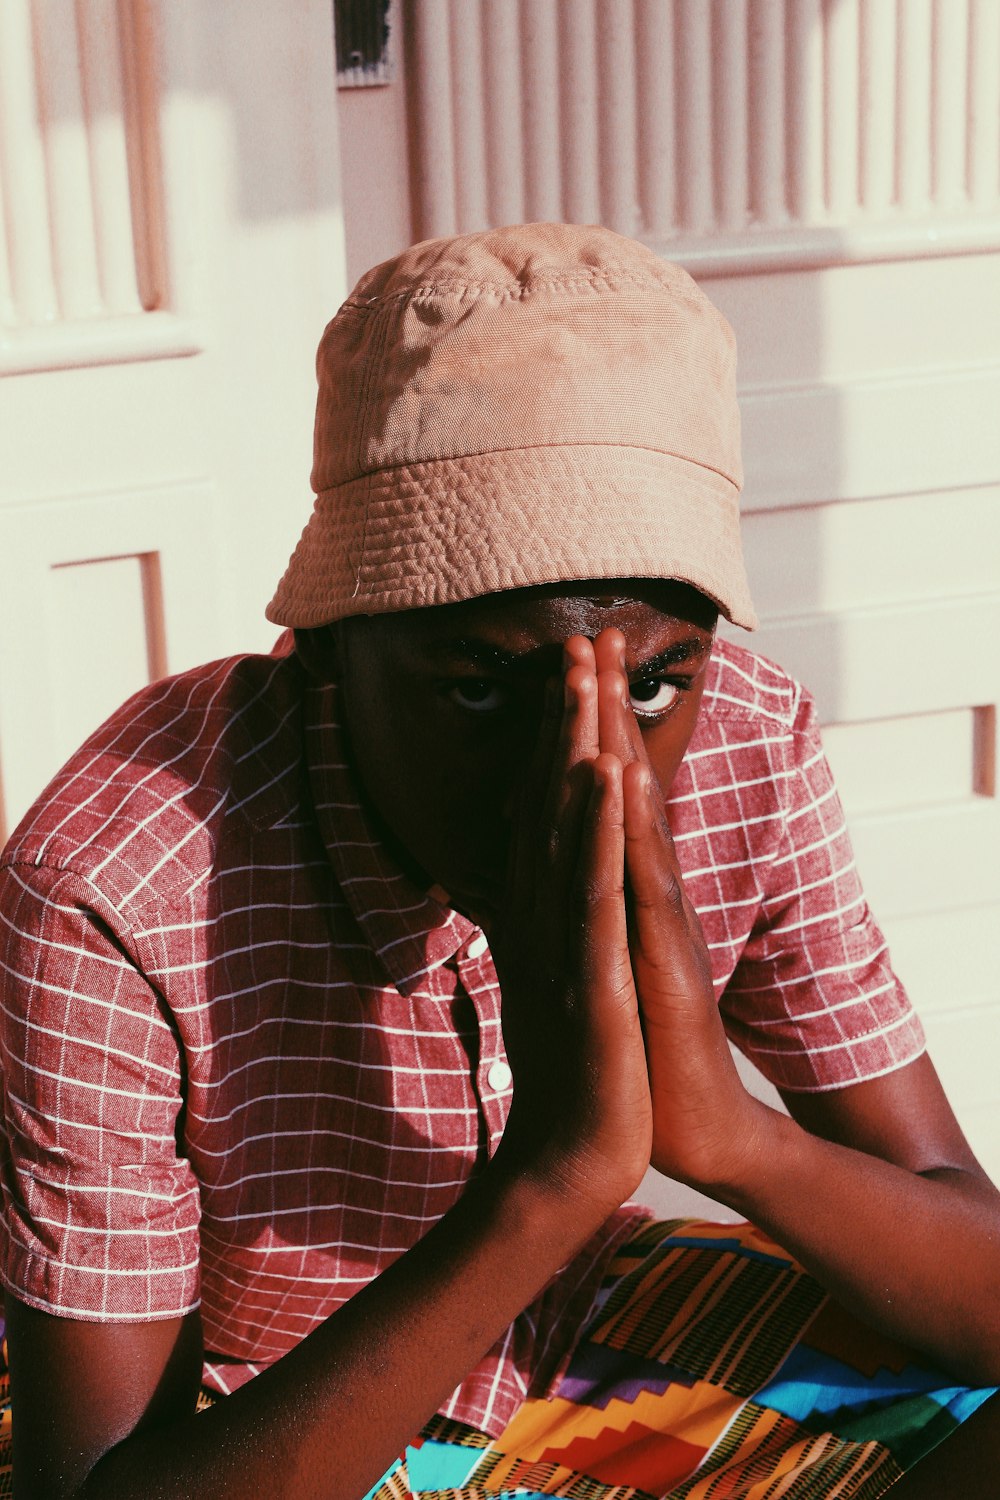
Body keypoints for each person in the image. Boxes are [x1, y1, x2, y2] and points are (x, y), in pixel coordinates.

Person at [0, 223, 997, 1500]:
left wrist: (732, 1138)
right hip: (265, 1409)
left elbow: (971, 1270)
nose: (578, 773)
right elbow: (93, 1483)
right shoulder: (117, 881)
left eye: (649, 685)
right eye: (478, 686)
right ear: (327, 641)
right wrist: (562, 1168)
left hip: (573, 1329)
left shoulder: (746, 737)